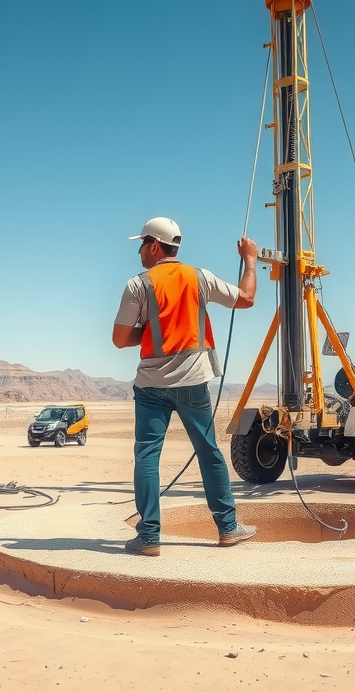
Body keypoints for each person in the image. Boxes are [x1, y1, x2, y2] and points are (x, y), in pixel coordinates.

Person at [112, 216, 259, 556]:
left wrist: (150, 331)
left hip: (150, 386)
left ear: (153, 245)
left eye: (141, 246)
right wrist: (249, 258)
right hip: (193, 383)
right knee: (209, 452)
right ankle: (227, 528)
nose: (138, 253)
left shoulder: (138, 284)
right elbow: (247, 298)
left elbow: (120, 339)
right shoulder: (200, 277)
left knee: (147, 456)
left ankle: (149, 536)